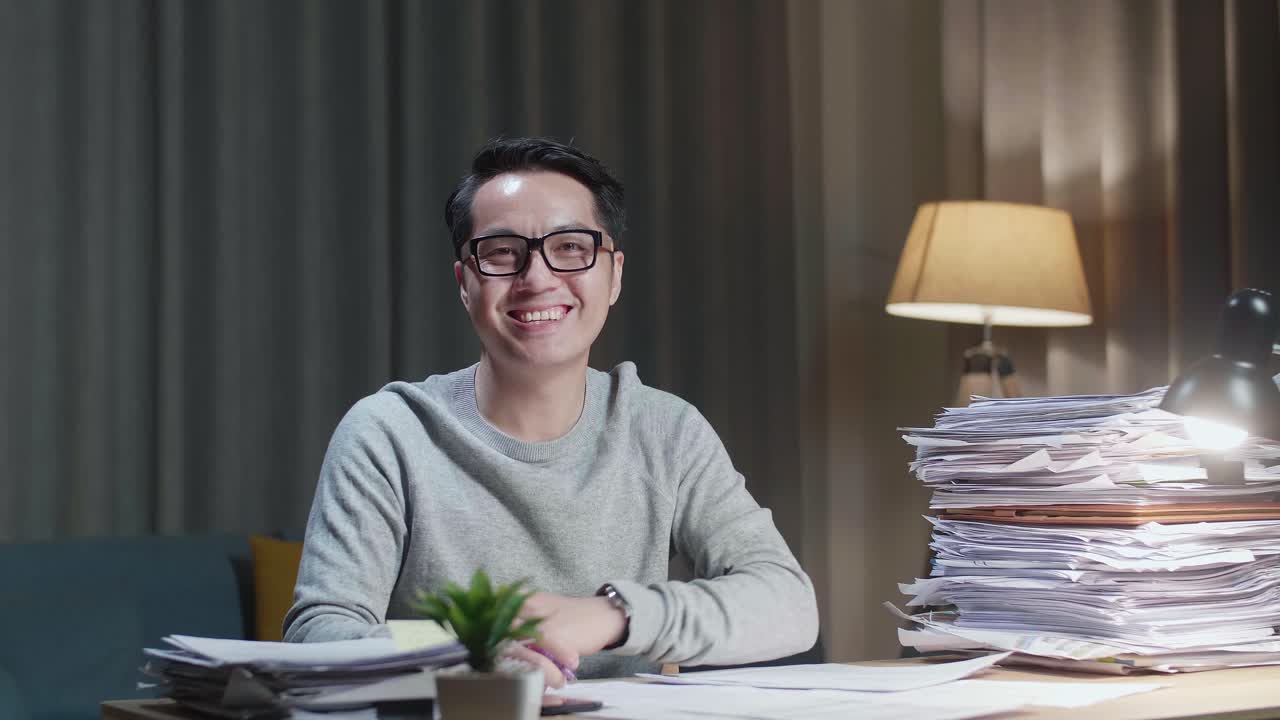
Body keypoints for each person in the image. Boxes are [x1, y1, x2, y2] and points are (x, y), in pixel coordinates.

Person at [284, 137, 819, 686]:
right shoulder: (389, 432)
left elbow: (788, 604)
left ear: (613, 276)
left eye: (569, 247)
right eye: (500, 252)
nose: (536, 277)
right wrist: (468, 651)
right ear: (465, 284)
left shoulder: (665, 429)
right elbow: (321, 634)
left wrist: (614, 615)